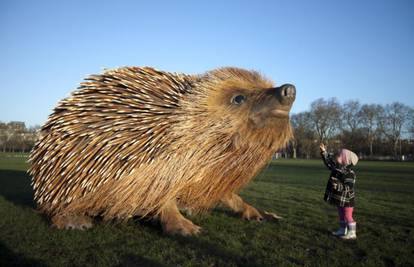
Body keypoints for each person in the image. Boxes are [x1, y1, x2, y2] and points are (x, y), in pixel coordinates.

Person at [320, 143, 358, 240]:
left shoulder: (350, 173)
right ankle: (342, 229)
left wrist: (338, 185)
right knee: (341, 214)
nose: (337, 156)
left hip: (347, 199)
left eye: (340, 156)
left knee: (347, 215)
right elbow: (329, 163)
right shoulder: (337, 168)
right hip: (339, 198)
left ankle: (352, 232)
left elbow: (348, 187)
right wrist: (324, 152)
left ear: (345, 159)